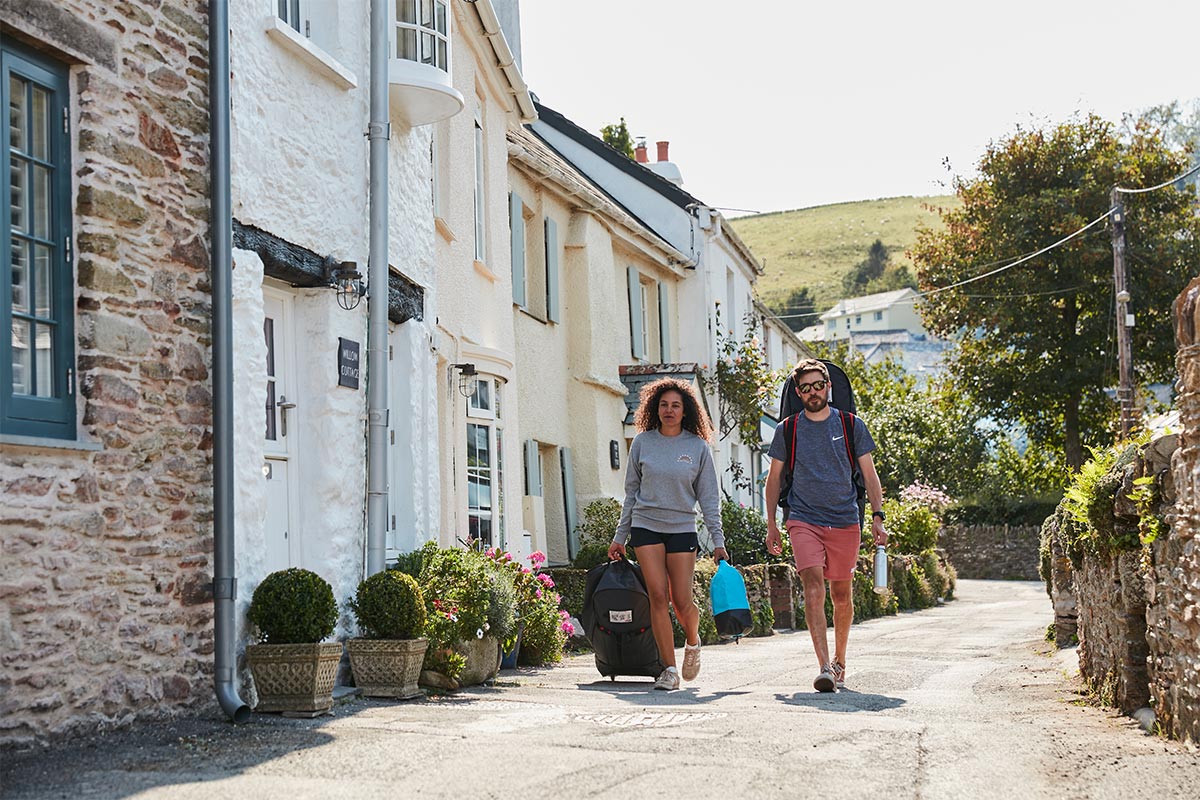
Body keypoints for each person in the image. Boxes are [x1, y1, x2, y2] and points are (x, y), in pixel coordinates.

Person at [764, 358, 887, 692]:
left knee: (841, 594)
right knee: (813, 587)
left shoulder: (851, 425)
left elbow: (870, 475)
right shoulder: (787, 430)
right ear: (798, 393)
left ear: (829, 386)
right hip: (803, 519)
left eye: (818, 385)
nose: (813, 392)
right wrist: (772, 524)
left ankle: (840, 660)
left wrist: (877, 517)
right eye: (805, 388)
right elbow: (774, 479)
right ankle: (822, 667)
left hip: (845, 519)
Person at [608, 378, 727, 691]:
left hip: (681, 528)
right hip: (645, 526)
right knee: (657, 597)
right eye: (663, 404)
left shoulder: (697, 447)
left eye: (675, 405)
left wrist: (718, 541)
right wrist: (620, 536)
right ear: (654, 408)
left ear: (685, 409)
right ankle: (669, 670)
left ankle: (692, 641)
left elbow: (709, 498)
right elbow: (631, 492)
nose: (669, 410)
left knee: (681, 600)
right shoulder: (643, 443)